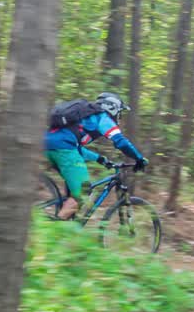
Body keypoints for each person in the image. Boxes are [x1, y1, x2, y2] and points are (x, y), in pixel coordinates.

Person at [44, 92, 148, 220]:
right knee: (83, 191)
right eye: (120, 112)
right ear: (112, 108)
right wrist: (138, 158)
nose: (119, 116)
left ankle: (66, 219)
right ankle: (57, 229)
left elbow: (77, 149)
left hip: (48, 145)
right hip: (64, 148)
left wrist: (101, 159)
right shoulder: (102, 117)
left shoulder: (86, 117)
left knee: (74, 190)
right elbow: (120, 141)